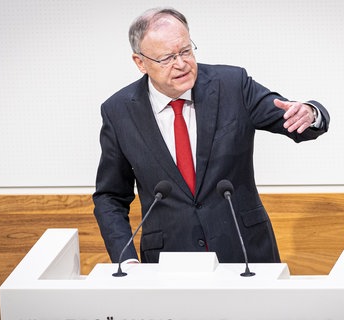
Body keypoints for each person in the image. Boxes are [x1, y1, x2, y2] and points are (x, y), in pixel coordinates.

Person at [93, 7, 330, 264]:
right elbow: (110, 196)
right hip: (168, 261)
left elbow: (292, 119)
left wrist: (309, 112)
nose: (181, 64)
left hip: (244, 251)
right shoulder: (119, 111)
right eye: (167, 58)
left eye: (185, 51)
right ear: (140, 62)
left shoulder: (231, 85)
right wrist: (125, 259)